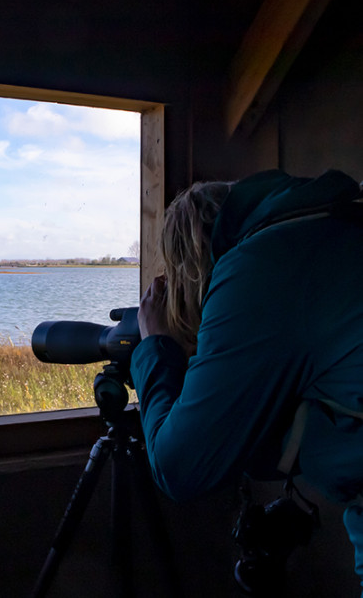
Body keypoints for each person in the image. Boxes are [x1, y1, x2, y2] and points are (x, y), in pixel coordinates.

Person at [131, 168, 363, 591]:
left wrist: (155, 345)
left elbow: (178, 468)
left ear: (193, 264)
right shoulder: (330, 223)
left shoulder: (260, 264)